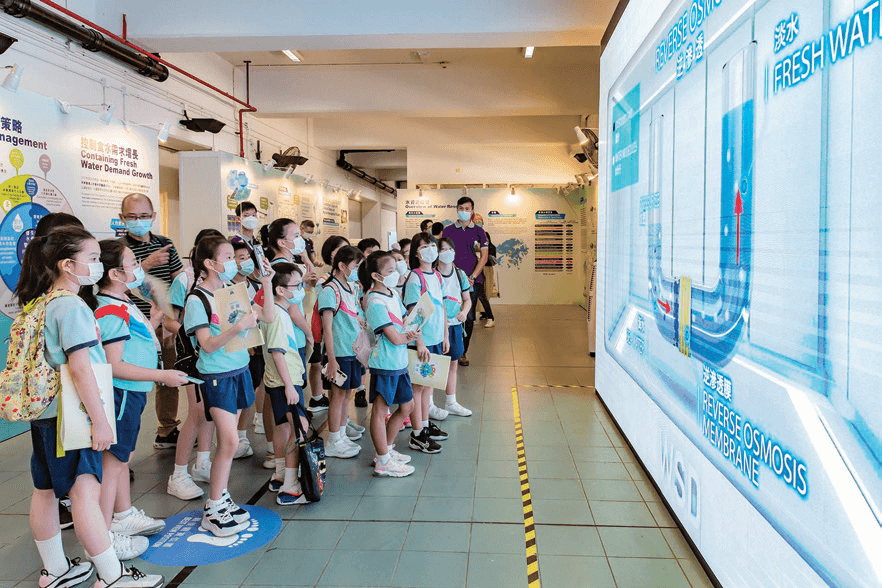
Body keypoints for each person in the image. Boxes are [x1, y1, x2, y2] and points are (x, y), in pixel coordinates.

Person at [16, 227, 163, 588]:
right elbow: (81, 368)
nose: (98, 266)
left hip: (46, 414)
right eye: (93, 259)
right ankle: (112, 577)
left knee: (46, 491)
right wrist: (101, 421)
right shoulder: (71, 306)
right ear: (68, 265)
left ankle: (55, 570)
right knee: (85, 494)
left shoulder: (42, 301)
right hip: (72, 416)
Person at [85, 241, 189, 560]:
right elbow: (115, 363)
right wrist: (163, 376)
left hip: (132, 393)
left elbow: (133, 343)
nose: (139, 269)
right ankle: (102, 539)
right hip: (121, 394)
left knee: (123, 460)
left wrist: (155, 319)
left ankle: (124, 514)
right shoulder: (110, 308)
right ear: (115, 273)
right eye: (133, 263)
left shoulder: (124, 301)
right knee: (113, 466)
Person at [183, 235, 273, 537]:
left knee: (229, 442)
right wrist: (238, 327)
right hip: (217, 377)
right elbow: (207, 345)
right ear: (210, 263)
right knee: (231, 442)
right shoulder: (198, 299)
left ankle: (220, 498)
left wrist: (268, 283)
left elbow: (268, 316)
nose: (234, 262)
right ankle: (213, 508)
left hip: (239, 370)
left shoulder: (231, 291)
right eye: (227, 256)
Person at [119, 193, 185, 450]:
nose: (139, 221)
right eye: (133, 217)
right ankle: (122, 446)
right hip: (131, 327)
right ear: (122, 217)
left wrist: (175, 317)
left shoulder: (165, 243)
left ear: (153, 216)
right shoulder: (117, 249)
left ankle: (167, 430)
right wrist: (145, 264)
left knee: (168, 378)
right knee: (129, 385)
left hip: (165, 324)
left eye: (144, 216)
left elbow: (178, 280)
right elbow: (116, 283)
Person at [166, 229, 221, 500]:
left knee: (209, 411)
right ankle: (178, 474)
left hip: (213, 355)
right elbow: (169, 319)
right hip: (191, 354)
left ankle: (202, 463)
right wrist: (195, 331)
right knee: (196, 412)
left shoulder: (222, 282)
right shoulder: (184, 279)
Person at [359, 251, 418, 477]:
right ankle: (383, 460)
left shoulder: (393, 293)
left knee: (407, 406)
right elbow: (394, 337)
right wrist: (410, 336)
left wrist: (413, 324)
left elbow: (404, 318)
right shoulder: (374, 301)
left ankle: (387, 449)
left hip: (399, 361)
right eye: (390, 271)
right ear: (376, 275)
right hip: (385, 362)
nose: (396, 274)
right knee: (381, 409)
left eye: (396, 268)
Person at [260, 262, 309, 503]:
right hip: (285, 382)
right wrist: (290, 386)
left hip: (278, 381)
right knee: (300, 429)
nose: (300, 289)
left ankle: (281, 474)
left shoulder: (275, 312)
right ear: (280, 290)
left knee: (286, 427)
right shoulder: (277, 316)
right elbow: (277, 352)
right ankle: (290, 486)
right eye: (296, 285)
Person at [319, 245, 366, 458]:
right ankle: (333, 439)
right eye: (356, 266)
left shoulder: (352, 287)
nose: (357, 270)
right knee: (337, 397)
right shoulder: (330, 290)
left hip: (352, 350)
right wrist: (331, 360)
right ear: (341, 265)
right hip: (338, 353)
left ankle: (342, 433)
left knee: (347, 394)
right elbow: (327, 327)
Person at [403, 233, 448, 453]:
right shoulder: (415, 277)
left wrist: (445, 335)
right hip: (422, 341)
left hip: (436, 338)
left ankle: (425, 426)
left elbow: (443, 306)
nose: (431, 249)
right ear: (416, 252)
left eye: (433, 245)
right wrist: (419, 343)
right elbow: (413, 314)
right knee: (418, 388)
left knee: (428, 386)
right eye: (425, 246)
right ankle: (417, 433)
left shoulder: (437, 275)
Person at [441, 196, 491, 367]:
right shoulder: (448, 230)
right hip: (451, 278)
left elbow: (484, 256)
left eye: (467, 208)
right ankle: (447, 348)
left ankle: (463, 352)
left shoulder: (479, 231)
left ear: (472, 211)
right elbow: (445, 253)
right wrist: (457, 274)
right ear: (457, 209)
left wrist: (472, 278)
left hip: (473, 281)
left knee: (468, 317)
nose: (464, 211)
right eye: (461, 208)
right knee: (449, 314)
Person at [436, 237, 473, 417]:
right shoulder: (433, 274)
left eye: (450, 248)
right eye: (443, 249)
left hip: (455, 326)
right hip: (435, 328)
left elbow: (467, 299)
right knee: (433, 364)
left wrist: (464, 312)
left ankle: (451, 402)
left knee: (453, 364)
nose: (448, 252)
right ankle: (428, 405)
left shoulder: (460, 274)